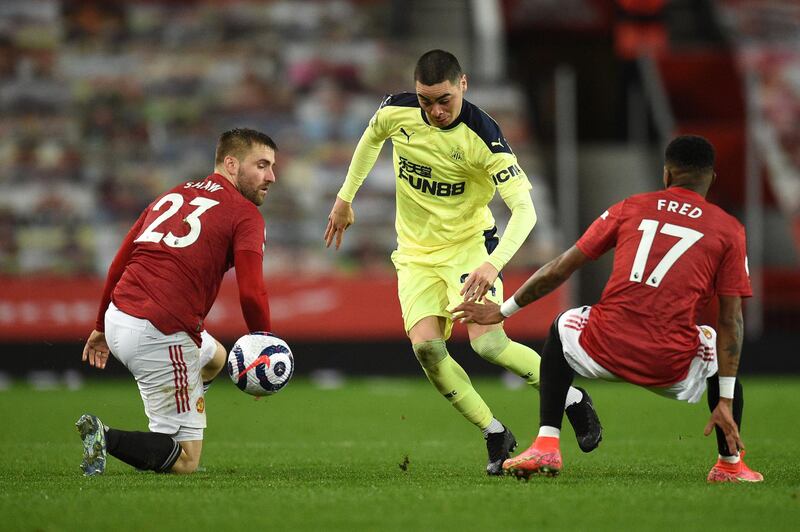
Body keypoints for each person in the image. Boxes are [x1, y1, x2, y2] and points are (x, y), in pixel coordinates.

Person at [324, 49, 601, 475]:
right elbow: (371, 138)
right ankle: (495, 433)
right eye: (425, 100)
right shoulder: (396, 110)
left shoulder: (484, 137)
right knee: (427, 350)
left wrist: (491, 264)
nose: (434, 110)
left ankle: (573, 399)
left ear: (463, 85)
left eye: (444, 100)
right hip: (415, 255)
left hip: (469, 249)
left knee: (488, 343)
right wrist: (345, 197)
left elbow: (525, 211)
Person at [454, 135, 763, 483]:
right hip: (669, 364)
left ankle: (546, 444)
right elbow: (731, 319)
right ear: (711, 179)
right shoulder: (729, 230)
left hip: (602, 347)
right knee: (715, 350)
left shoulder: (631, 206)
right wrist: (723, 399)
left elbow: (561, 267)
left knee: (564, 323)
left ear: (666, 175)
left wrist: (503, 311)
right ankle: (729, 463)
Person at [77, 128, 277, 475]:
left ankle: (173, 420)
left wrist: (98, 328)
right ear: (230, 164)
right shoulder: (245, 215)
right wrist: (266, 345)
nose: (271, 176)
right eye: (261, 165)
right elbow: (251, 291)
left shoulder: (175, 194)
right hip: (161, 333)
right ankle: (105, 437)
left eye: (273, 167)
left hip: (118, 317)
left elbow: (118, 263)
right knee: (186, 461)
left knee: (216, 359)